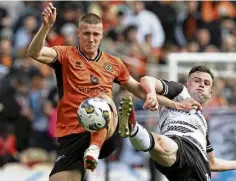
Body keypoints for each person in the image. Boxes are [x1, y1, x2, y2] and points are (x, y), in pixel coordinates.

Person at [27, 3, 201, 181]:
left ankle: (98, 144)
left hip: (107, 130)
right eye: (86, 34)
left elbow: (140, 91)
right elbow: (34, 53)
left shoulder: (114, 63)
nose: (91, 39)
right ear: (78, 34)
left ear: (101, 35)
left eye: (96, 34)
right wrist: (46, 27)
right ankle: (91, 150)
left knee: (102, 98)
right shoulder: (65, 55)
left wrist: (175, 104)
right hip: (72, 134)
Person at [119, 65, 236, 181]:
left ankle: (134, 129)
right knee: (161, 144)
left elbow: (213, 163)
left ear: (210, 93)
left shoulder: (203, 124)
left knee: (162, 145)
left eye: (206, 83)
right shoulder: (180, 92)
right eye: (197, 81)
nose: (201, 85)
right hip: (177, 147)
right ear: (187, 85)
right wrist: (151, 93)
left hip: (199, 168)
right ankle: (132, 127)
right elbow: (146, 80)